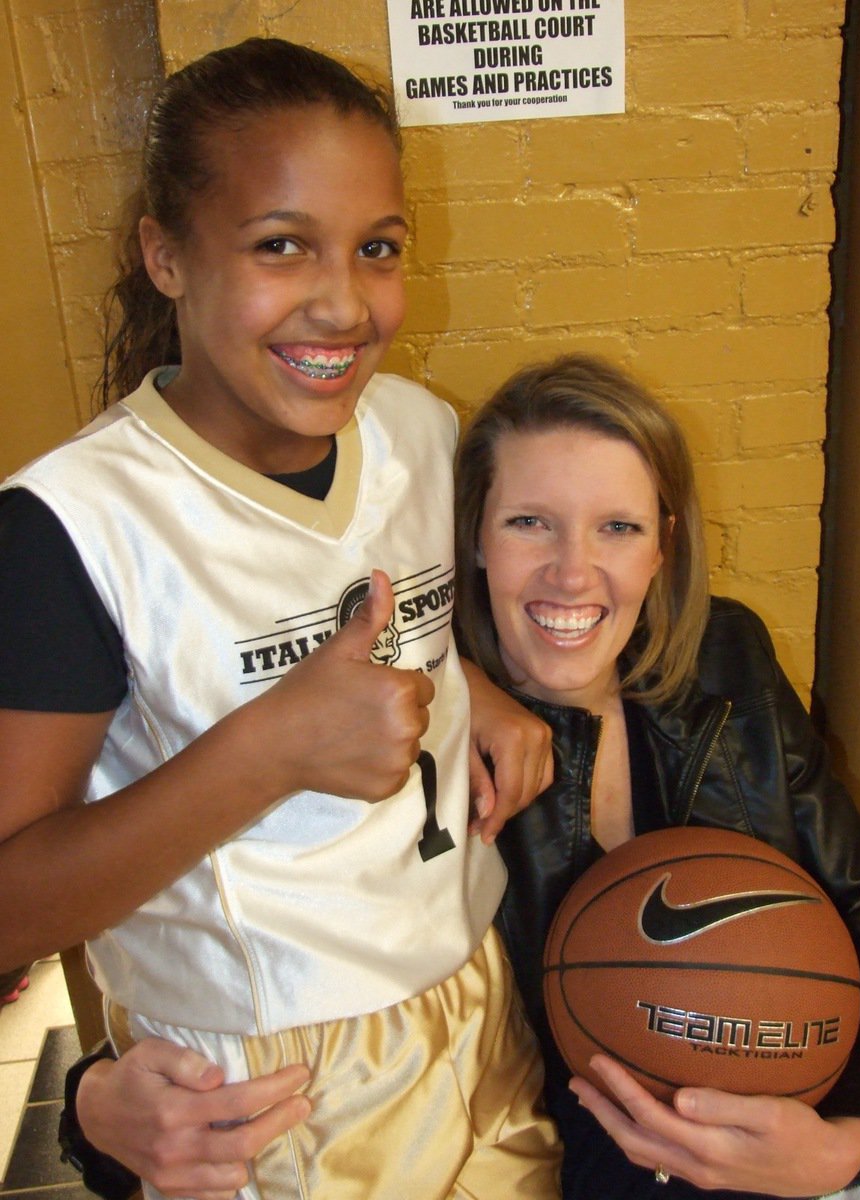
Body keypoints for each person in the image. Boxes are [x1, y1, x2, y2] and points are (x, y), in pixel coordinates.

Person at [0, 38, 562, 1200]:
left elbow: (385, 615)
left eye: (379, 249)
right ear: (166, 256)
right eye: (280, 246)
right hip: (269, 1090)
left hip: (472, 1001)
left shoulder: (416, 428)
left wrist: (475, 688)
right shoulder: (67, 529)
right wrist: (271, 749)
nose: (344, 303)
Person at [454, 353, 860, 1198]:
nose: (574, 573)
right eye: (528, 523)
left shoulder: (726, 659)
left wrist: (851, 1145)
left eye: (616, 527)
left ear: (664, 544)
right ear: (473, 536)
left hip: (787, 1147)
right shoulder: (425, 731)